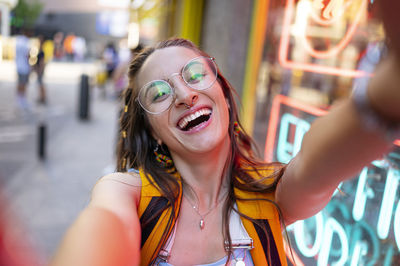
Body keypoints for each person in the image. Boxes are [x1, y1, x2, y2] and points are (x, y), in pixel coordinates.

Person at [51, 3, 400, 265]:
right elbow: (102, 229)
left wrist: (385, 91)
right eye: (159, 94)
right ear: (153, 132)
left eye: (195, 74)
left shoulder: (271, 198)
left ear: (224, 96)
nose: (185, 95)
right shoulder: (126, 194)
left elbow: (317, 163)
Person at [15, 29, 31, 110]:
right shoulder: (26, 42)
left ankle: (19, 98)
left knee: (20, 83)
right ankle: (22, 99)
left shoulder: (18, 41)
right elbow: (28, 55)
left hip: (18, 66)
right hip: (24, 66)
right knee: (23, 83)